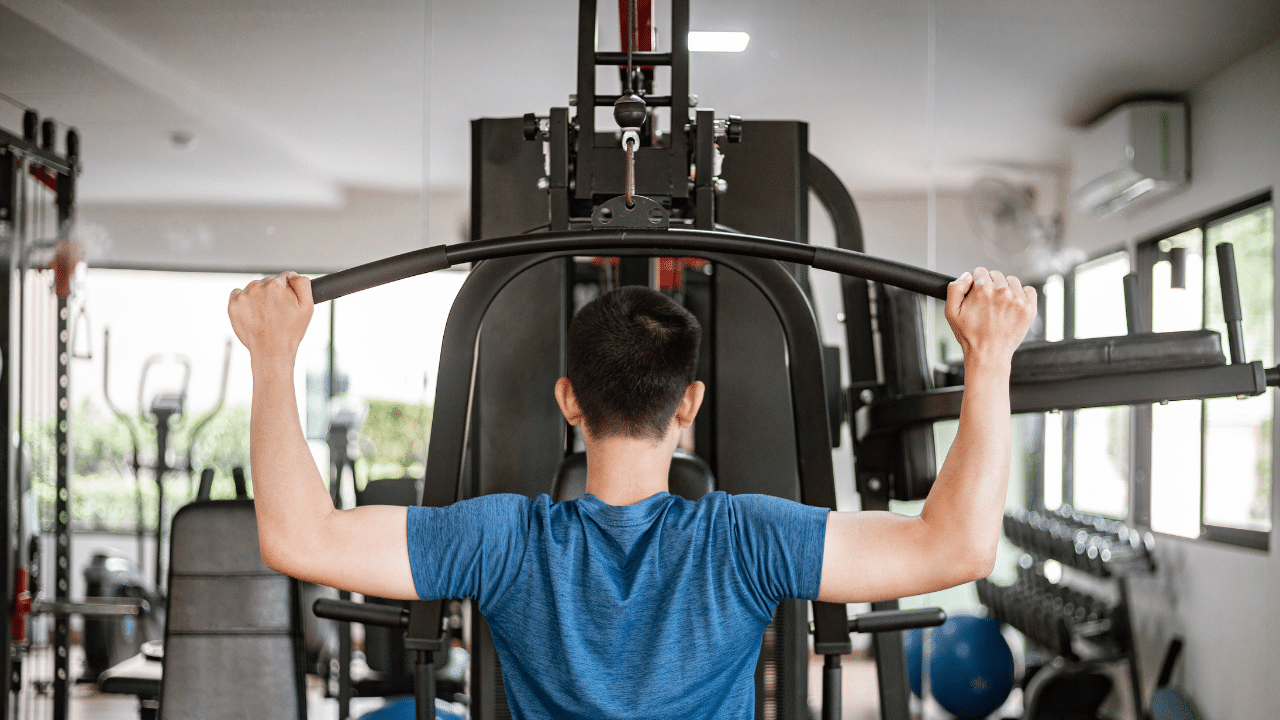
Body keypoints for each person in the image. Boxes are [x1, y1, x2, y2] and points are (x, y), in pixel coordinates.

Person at [227, 267, 1036, 720]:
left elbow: (298, 539)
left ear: (568, 402)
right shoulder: (744, 541)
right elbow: (956, 545)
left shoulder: (506, 540)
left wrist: (272, 356)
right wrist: (988, 358)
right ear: (689, 405)